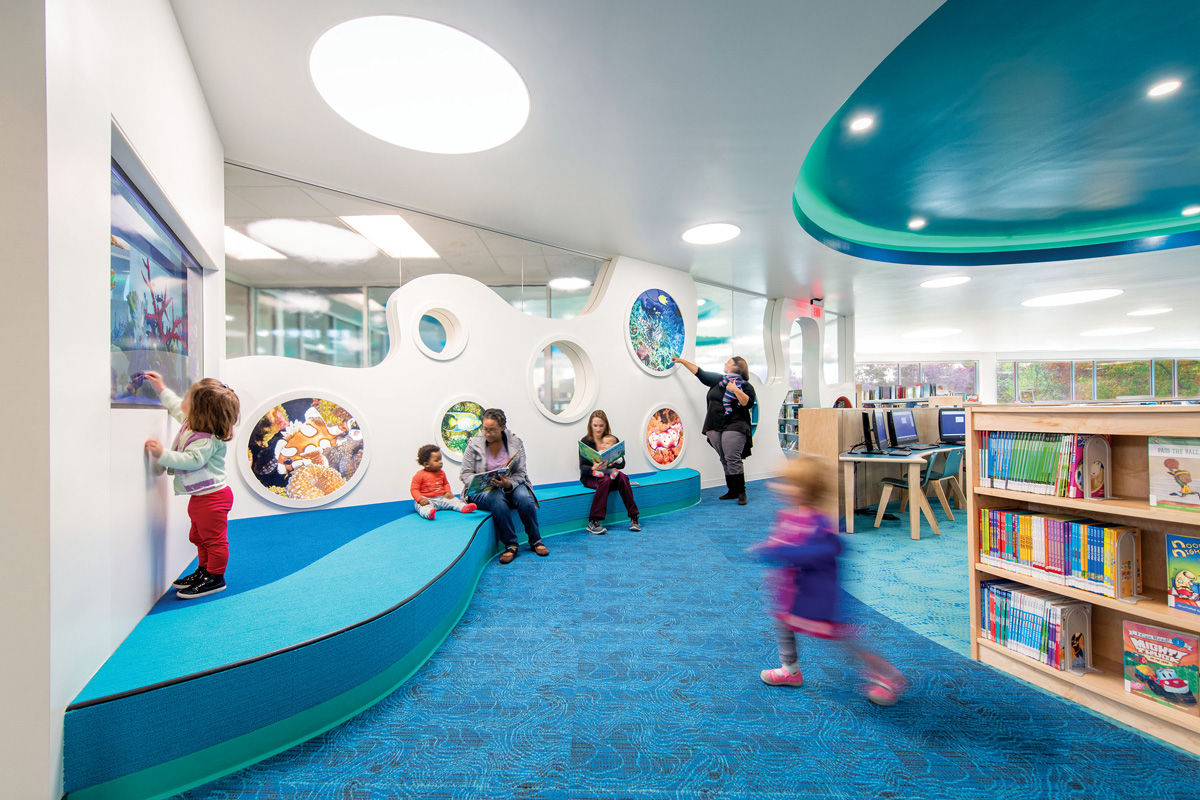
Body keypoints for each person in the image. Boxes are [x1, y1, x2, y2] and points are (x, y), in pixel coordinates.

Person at [750, 453, 907, 705]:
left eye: (790, 484)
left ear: (807, 491)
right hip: (793, 595)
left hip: (820, 600)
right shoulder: (791, 516)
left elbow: (822, 551)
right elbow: (783, 544)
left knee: (845, 641)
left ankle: (888, 676)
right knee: (782, 624)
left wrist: (778, 551)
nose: (781, 487)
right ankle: (790, 670)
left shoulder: (821, 524)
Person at [142, 370, 241, 599]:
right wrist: (161, 388)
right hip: (203, 497)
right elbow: (176, 407)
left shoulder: (206, 439)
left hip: (213, 498)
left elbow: (192, 461)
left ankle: (215, 577)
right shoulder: (192, 423)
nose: (183, 399)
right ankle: (203, 570)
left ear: (200, 410)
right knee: (198, 536)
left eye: (188, 397)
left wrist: (161, 454)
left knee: (213, 540)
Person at [461, 408, 548, 564]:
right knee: (496, 496)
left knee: (523, 497)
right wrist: (479, 481)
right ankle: (511, 545)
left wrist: (508, 484)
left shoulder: (516, 443)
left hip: (510, 483)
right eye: (485, 429)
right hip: (484, 490)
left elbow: (521, 473)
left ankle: (536, 540)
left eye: (492, 430)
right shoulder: (474, 443)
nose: (487, 434)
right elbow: (465, 473)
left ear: (502, 428)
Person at [671, 355, 756, 504]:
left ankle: (741, 492)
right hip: (715, 425)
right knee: (724, 459)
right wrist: (682, 361)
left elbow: (746, 403)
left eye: (728, 362)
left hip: (735, 424)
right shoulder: (718, 380)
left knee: (732, 458)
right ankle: (732, 491)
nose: (725, 363)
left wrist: (736, 390)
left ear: (737, 367)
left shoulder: (746, 386)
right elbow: (699, 372)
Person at [579, 410, 640, 534]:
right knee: (605, 479)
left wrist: (614, 462)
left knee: (623, 477)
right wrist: (594, 468)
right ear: (590, 425)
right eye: (595, 425)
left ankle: (634, 517)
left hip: (609, 474)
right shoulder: (585, 441)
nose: (598, 429)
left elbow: (622, 464)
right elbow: (583, 467)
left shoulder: (612, 439)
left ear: (606, 425)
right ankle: (593, 520)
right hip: (592, 477)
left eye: (601, 425)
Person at [411, 444, 477, 520]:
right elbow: (414, 489)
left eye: (440, 459)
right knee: (422, 507)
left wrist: (447, 492)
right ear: (426, 464)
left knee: (454, 500)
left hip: (442, 497)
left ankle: (463, 507)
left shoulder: (441, 473)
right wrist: (420, 499)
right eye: (436, 460)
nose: (440, 462)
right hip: (428, 499)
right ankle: (428, 513)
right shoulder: (419, 475)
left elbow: (445, 483)